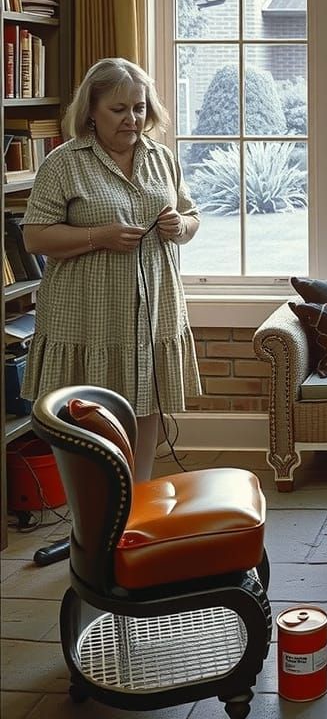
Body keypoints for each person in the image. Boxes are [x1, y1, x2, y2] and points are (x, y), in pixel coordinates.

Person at [21, 58, 201, 493]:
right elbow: (34, 238)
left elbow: (192, 215)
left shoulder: (162, 158)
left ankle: (135, 499)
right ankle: (92, 510)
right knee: (86, 409)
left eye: (139, 108)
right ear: (92, 111)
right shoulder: (64, 163)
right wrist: (97, 236)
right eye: (119, 109)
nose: (132, 118)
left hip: (154, 305)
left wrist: (181, 225)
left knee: (146, 401)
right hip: (86, 313)